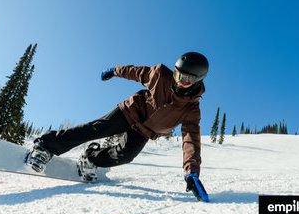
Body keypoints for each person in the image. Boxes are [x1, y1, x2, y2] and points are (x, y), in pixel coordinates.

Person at [27, 52, 209, 202]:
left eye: (185, 79)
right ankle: (46, 145)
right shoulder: (161, 75)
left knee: (126, 155)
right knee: (97, 129)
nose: (178, 81)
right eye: (177, 75)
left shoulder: (191, 110)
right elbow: (135, 72)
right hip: (130, 112)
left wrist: (191, 173)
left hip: (145, 131)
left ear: (197, 81)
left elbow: (191, 141)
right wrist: (114, 71)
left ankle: (91, 159)